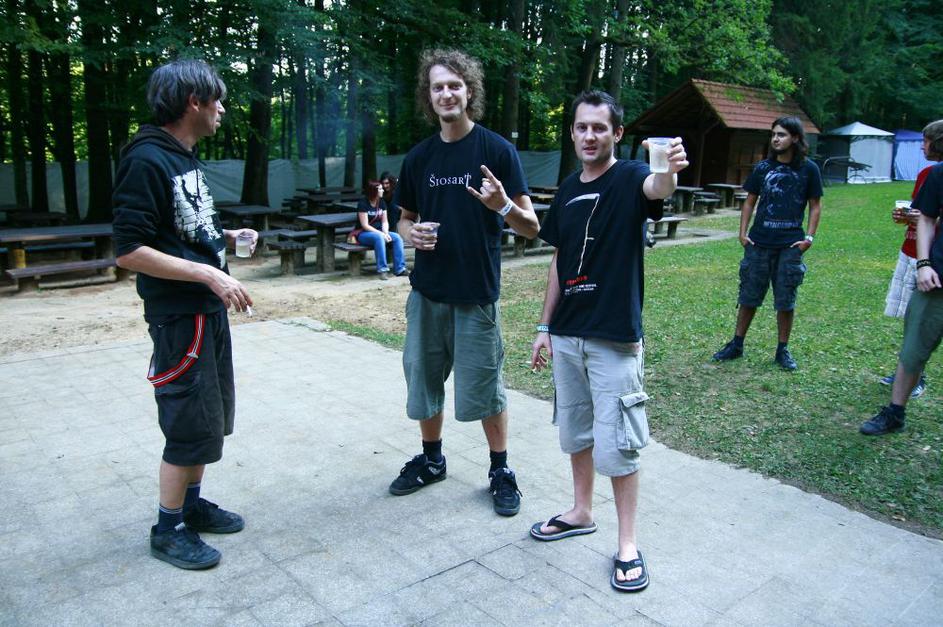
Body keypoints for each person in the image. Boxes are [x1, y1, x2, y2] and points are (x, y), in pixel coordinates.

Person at [529, 90, 687, 593]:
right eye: (582, 127)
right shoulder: (568, 188)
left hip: (613, 337)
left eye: (600, 127)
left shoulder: (630, 176)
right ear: (573, 132)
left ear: (617, 133)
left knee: (619, 443)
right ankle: (580, 511)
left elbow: (657, 187)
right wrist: (544, 327)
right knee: (576, 433)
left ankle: (628, 545)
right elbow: (559, 260)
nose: (590, 136)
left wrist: (669, 169)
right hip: (567, 334)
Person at [113, 59, 256, 570]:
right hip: (181, 317)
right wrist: (208, 275)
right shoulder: (146, 160)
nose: (222, 110)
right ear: (193, 102)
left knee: (209, 417)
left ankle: (191, 506)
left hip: (206, 311)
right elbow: (129, 250)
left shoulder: (182, 157)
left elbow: (181, 230)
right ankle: (167, 527)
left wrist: (227, 238)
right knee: (187, 421)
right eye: (217, 101)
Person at [389, 48, 539, 516]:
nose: (447, 93)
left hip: (475, 295)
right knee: (424, 384)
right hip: (427, 294)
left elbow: (532, 227)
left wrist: (502, 206)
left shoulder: (496, 151)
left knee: (487, 388)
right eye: (438, 86)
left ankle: (500, 470)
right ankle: (432, 461)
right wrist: (410, 233)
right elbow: (404, 219)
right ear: (429, 96)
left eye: (455, 85)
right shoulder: (420, 157)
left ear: (469, 91)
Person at [711, 116, 823, 370]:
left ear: (795, 138)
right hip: (759, 242)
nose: (775, 139)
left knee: (786, 299)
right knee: (748, 295)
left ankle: (783, 350)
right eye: (773, 134)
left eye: (781, 134)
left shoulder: (809, 169)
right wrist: (742, 233)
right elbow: (749, 201)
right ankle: (737, 344)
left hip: (790, 245)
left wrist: (809, 238)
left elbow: (815, 206)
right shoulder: (763, 168)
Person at [861, 121, 943, 435]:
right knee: (913, 348)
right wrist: (924, 263)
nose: (923, 146)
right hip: (937, 277)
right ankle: (895, 412)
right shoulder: (937, 175)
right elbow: (926, 218)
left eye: (926, 141)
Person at [879, 121, 943, 397]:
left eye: (926, 141)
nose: (922, 146)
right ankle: (907, 372)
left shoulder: (936, 173)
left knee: (922, 322)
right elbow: (922, 212)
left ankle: (917, 376)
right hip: (912, 251)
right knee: (911, 316)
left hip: (932, 258)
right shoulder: (927, 173)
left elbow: (932, 219)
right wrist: (905, 216)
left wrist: (926, 220)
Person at [353, 179, 407, 279]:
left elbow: (384, 222)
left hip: (380, 232)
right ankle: (382, 270)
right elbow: (365, 225)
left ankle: (400, 269)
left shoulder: (381, 202)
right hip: (363, 234)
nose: (383, 190)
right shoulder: (363, 203)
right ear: (374, 191)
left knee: (397, 237)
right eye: (380, 189)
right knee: (379, 237)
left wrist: (386, 233)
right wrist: (381, 234)